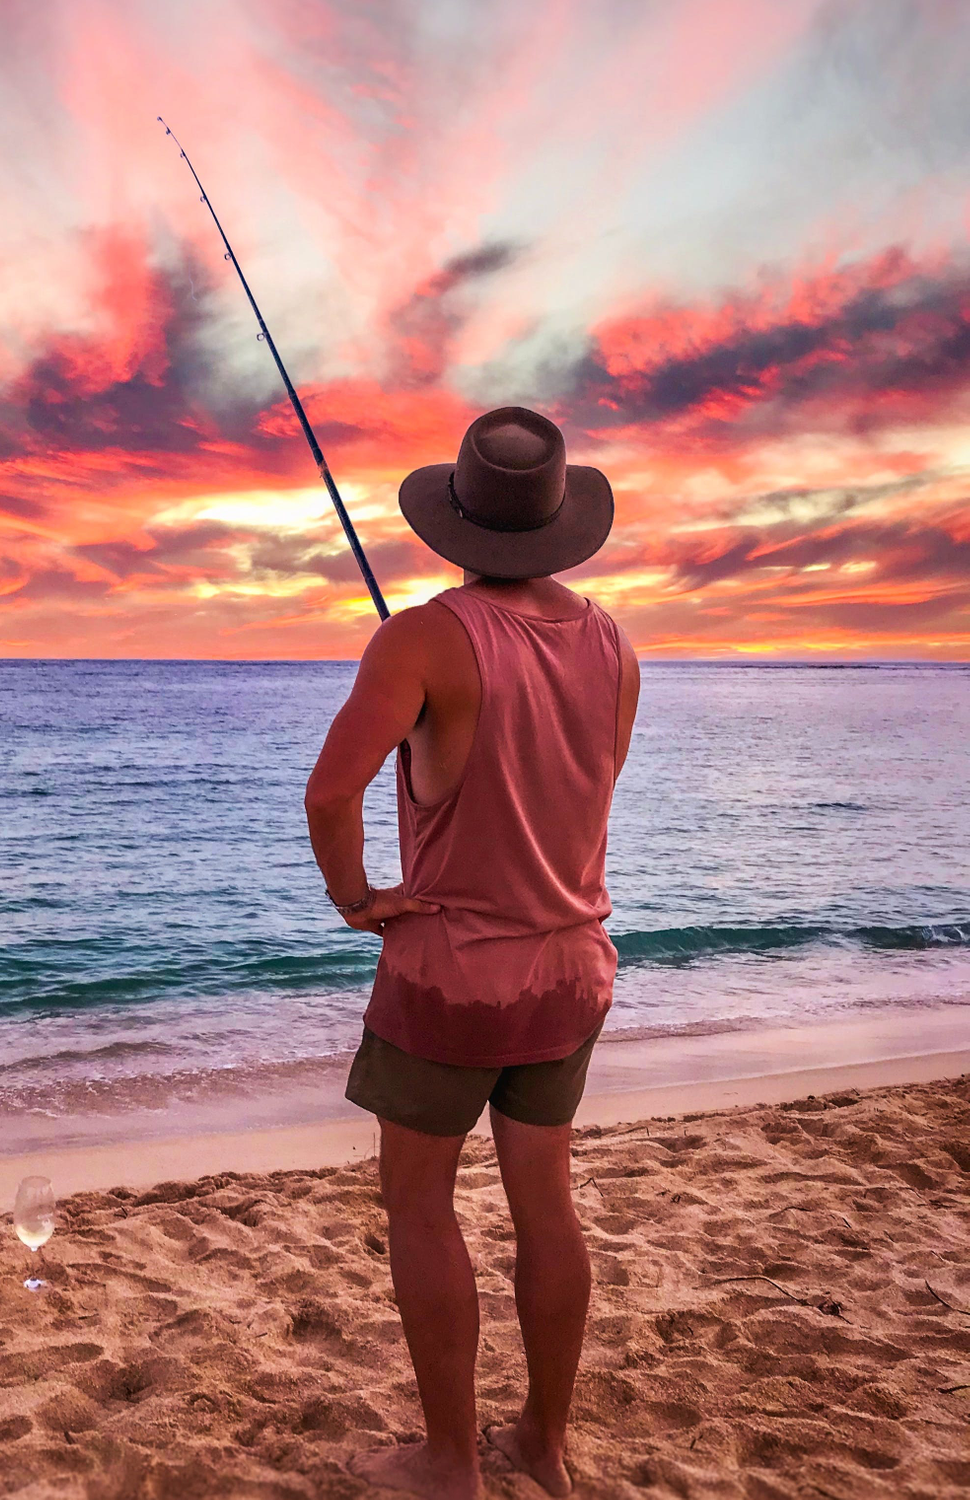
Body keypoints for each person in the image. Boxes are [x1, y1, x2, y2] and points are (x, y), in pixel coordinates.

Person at [304, 406, 640, 1499]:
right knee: (548, 1202)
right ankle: (544, 1443)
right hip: (572, 966)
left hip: (454, 978)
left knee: (420, 1203)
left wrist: (358, 900)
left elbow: (329, 793)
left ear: (456, 518)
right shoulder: (612, 643)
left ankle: (452, 1461)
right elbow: (564, 790)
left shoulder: (421, 636)